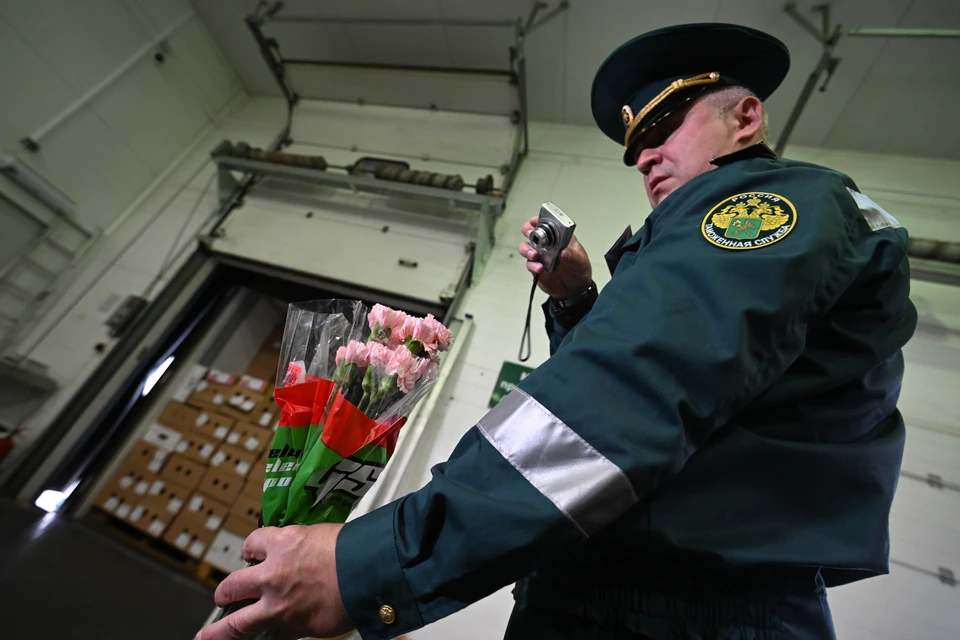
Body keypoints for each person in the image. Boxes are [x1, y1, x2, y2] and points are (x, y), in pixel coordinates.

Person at [198, 23, 918, 640]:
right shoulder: (702, 240)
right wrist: (575, 300)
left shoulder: (770, 206)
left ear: (747, 116)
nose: (644, 156)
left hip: (686, 608)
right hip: (637, 594)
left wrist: (368, 564)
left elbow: (625, 403)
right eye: (634, 146)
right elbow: (657, 411)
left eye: (664, 126)